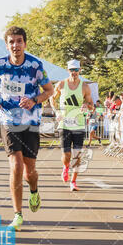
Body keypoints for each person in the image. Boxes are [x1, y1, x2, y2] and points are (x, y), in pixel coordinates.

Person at [0, 26, 53, 231]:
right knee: (16, 165)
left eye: (19, 41)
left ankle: (34, 190)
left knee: (29, 171)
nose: (15, 45)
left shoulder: (35, 65)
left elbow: (49, 90)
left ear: (25, 43)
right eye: (11, 42)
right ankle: (17, 215)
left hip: (31, 122)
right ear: (7, 45)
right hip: (9, 120)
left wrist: (34, 100)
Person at [51, 60, 94, 191]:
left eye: (76, 70)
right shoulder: (62, 84)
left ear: (80, 70)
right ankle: (65, 167)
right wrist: (56, 110)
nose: (74, 72)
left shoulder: (85, 87)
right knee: (67, 154)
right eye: (71, 70)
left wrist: (87, 105)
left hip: (78, 124)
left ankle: (73, 181)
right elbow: (52, 98)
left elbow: (92, 105)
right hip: (64, 124)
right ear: (68, 70)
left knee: (77, 154)